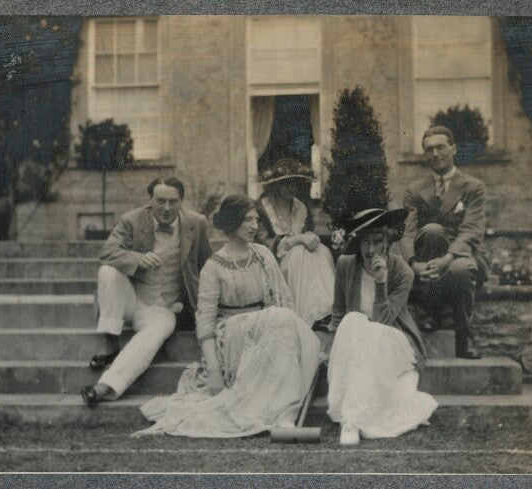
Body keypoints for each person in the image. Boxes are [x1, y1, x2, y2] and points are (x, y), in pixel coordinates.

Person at [132, 195, 322, 438]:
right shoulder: (213, 266)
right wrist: (214, 371)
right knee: (279, 319)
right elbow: (206, 323)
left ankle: (285, 414)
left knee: (283, 320)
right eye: (247, 220)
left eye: (256, 220)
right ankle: (282, 413)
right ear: (232, 223)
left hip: (267, 332)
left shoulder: (264, 254)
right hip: (231, 340)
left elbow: (284, 301)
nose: (255, 226)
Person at [80, 176, 212, 407]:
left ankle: (105, 387)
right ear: (150, 199)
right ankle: (111, 340)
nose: (167, 208)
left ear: (181, 201)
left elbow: (207, 265)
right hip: (131, 299)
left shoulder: (197, 223)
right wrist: (137, 258)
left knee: (157, 331)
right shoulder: (131, 220)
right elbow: (107, 252)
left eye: (173, 201)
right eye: (160, 201)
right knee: (107, 272)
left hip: (164, 307)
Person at [327, 208, 438, 446]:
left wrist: (380, 282)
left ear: (387, 242)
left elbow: (382, 321)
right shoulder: (346, 264)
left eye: (377, 242)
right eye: (364, 242)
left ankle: (353, 421)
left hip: (392, 339)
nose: (369, 250)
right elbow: (338, 311)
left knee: (366, 328)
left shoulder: (403, 272)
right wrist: (332, 348)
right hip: (356, 338)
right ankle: (351, 420)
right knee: (352, 320)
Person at [399, 125, 489, 360]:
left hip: (462, 254)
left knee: (460, 270)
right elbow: (407, 232)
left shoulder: (473, 187)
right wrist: (412, 263)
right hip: (427, 256)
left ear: (453, 149)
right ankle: (432, 312)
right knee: (432, 231)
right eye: (429, 149)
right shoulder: (415, 190)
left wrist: (448, 258)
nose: (435, 154)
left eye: (441, 147)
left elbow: (471, 229)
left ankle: (464, 338)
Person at [257, 157, 335, 329]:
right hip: (272, 263)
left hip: (300, 266)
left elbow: (309, 231)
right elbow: (263, 244)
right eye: (286, 184)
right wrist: (297, 239)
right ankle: (301, 316)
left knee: (322, 251)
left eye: (294, 183)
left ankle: (325, 310)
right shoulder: (262, 208)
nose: (290, 188)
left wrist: (308, 236)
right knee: (299, 254)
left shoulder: (301, 207)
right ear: (275, 185)